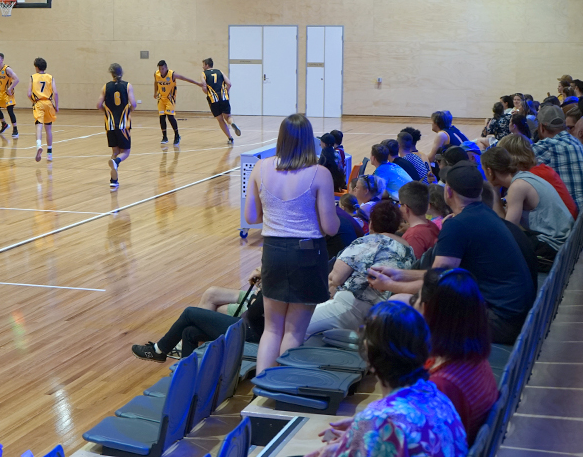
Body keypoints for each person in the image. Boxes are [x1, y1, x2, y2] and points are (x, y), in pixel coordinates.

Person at [367, 161, 535, 345]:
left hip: (498, 322)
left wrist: (392, 285)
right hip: (512, 316)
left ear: (448, 192)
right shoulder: (485, 215)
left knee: (397, 304)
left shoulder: (457, 225)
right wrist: (400, 274)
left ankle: (409, 369)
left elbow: (438, 284)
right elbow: (439, 274)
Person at [307, 302, 467, 457]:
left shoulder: (381, 418)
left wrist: (364, 431)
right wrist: (362, 433)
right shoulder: (437, 396)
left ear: (369, 352)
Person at [244, 114, 339, 373]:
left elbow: (251, 217)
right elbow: (331, 227)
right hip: (307, 254)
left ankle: (261, 388)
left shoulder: (260, 167)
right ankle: (278, 389)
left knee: (272, 330)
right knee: (295, 331)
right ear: (310, 141)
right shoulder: (320, 173)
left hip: (273, 252)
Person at [306, 201, 415, 335]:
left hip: (351, 307)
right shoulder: (409, 250)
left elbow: (336, 278)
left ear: (371, 223)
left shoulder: (369, 240)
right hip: (381, 315)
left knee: (298, 325)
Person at [415, 268, 498, 443]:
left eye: (417, 299)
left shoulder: (443, 386)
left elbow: (424, 445)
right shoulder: (473, 358)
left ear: (427, 310)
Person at [482, 146, 574, 269]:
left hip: (554, 247)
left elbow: (508, 230)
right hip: (564, 239)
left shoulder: (517, 187)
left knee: (495, 246)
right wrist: (496, 190)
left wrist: (494, 192)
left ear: (489, 171)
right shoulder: (523, 176)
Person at [132, 292, 264, 361]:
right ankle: (186, 378)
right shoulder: (278, 278)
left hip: (249, 330)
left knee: (190, 313)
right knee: (189, 332)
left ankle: (159, 350)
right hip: (248, 327)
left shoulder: (276, 282)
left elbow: (253, 313)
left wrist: (254, 297)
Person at [498, 133, 578, 219]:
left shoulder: (527, 179)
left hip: (562, 228)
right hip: (571, 225)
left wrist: (495, 187)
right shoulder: (543, 170)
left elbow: (508, 222)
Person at [532, 104, 583, 207]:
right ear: (564, 125)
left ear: (541, 127)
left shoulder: (544, 147)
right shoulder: (579, 145)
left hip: (567, 219)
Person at [99, 63, 136, 190]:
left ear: (111, 73)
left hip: (109, 124)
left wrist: (107, 111)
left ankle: (113, 181)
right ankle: (116, 162)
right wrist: (129, 110)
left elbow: (98, 105)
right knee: (125, 152)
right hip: (123, 124)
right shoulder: (127, 86)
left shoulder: (106, 86)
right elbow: (134, 104)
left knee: (115, 152)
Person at [154, 60, 203, 145]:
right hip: (161, 98)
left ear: (166, 68)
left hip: (170, 98)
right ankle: (164, 137)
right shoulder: (156, 74)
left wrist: (197, 83)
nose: (161, 71)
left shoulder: (172, 74)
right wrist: (155, 92)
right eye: (160, 69)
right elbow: (155, 83)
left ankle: (177, 135)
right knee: (162, 117)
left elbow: (185, 78)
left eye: (162, 69)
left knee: (170, 116)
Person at [201, 58, 241, 144]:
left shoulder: (203, 74)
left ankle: (230, 138)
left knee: (220, 119)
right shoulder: (220, 72)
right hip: (224, 97)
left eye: (203, 65)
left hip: (213, 99)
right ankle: (232, 123)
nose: (202, 67)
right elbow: (229, 84)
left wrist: (208, 93)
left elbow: (204, 88)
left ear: (207, 65)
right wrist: (226, 92)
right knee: (228, 117)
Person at [399, 181, 440, 259]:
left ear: (405, 208)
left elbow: (413, 267)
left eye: (400, 204)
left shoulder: (413, 237)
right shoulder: (432, 225)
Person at [28, 57, 58, 162]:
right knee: (48, 129)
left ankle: (38, 146)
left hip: (38, 103)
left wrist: (33, 101)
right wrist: (57, 105)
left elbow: (28, 93)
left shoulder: (33, 77)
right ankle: (49, 153)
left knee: (38, 126)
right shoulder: (50, 77)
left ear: (36, 67)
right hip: (49, 103)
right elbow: (56, 93)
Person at [0, 53, 19, 138]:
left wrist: (10, 88)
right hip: (1, 93)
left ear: (2, 60)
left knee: (10, 110)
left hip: (8, 93)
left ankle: (15, 129)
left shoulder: (7, 69)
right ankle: (4, 124)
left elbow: (17, 79)